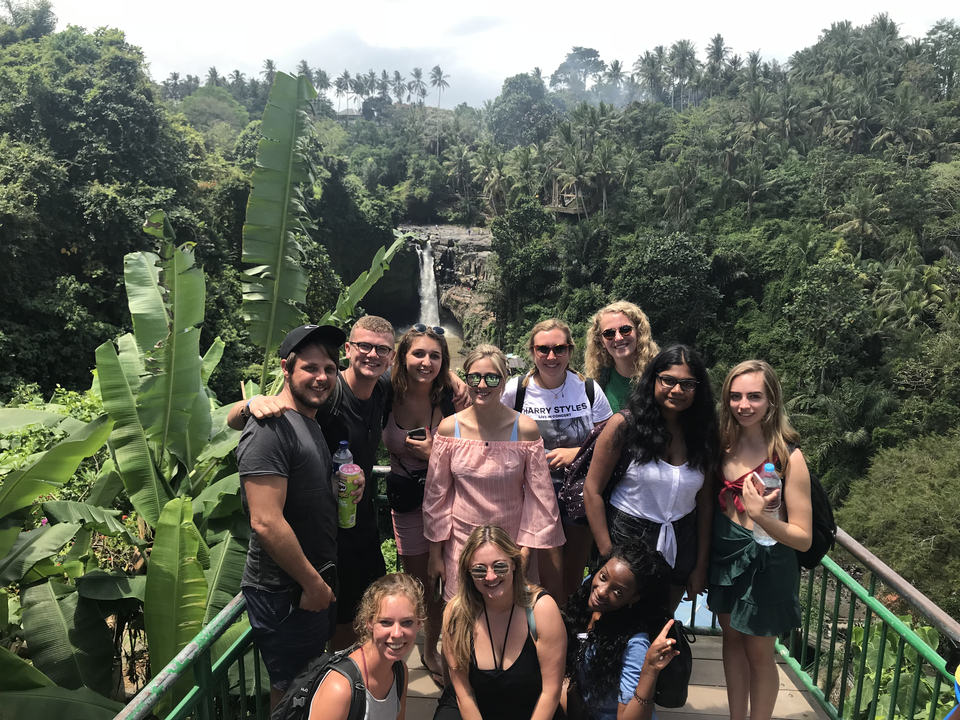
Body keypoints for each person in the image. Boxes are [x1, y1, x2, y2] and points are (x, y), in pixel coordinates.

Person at [231, 315, 398, 651]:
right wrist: (250, 403)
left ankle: (352, 689)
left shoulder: (382, 387)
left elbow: (426, 371)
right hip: (323, 549)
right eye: (364, 346)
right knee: (332, 639)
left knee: (369, 621)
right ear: (349, 350)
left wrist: (458, 379)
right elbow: (241, 419)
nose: (372, 355)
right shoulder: (325, 394)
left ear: (391, 357)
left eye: (382, 349)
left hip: (358, 529)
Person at [236, 324, 355, 709]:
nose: (322, 378)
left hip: (308, 584)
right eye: (311, 368)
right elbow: (265, 521)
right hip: (287, 591)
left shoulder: (310, 421)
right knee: (289, 695)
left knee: (304, 687)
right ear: (287, 368)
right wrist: (313, 584)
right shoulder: (270, 427)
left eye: (330, 369)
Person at [708, 360, 812, 720]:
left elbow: (803, 538)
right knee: (732, 643)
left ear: (771, 401)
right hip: (725, 553)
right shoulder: (722, 446)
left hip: (768, 559)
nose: (744, 405)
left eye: (754, 396)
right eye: (735, 397)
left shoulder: (787, 457)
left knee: (759, 653)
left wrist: (760, 516)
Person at [583, 345, 718, 613]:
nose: (677, 390)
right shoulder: (624, 426)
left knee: (659, 624)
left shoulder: (703, 434)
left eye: (687, 384)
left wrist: (700, 566)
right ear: (653, 379)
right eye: (668, 380)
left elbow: (705, 504)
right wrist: (609, 556)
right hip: (626, 537)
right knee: (611, 626)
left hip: (681, 540)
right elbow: (592, 491)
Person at [424, 345, 564, 602]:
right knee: (464, 621)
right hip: (462, 546)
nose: (482, 385)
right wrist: (436, 554)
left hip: (511, 546)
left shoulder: (524, 429)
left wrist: (525, 553)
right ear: (465, 379)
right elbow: (437, 497)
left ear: (503, 381)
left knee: (511, 621)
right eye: (474, 377)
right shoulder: (448, 429)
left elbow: (540, 499)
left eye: (491, 378)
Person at [501, 319, 613, 605]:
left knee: (573, 574)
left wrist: (575, 452)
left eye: (559, 349)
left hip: (579, 495)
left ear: (570, 351)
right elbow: (497, 435)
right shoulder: (517, 391)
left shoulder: (588, 389)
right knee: (536, 573)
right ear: (532, 351)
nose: (551, 357)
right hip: (532, 497)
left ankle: (567, 635)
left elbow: (610, 442)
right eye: (543, 349)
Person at [382, 324, 456, 686]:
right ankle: (418, 645)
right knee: (417, 579)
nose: (426, 362)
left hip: (447, 501)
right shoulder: (385, 392)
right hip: (407, 503)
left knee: (442, 576)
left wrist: (434, 454)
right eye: (419, 353)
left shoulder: (451, 396)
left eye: (435, 356)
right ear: (403, 356)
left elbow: (478, 448)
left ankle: (434, 649)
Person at [434, 525, 566, 720]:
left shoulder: (542, 609)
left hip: (532, 708)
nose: (491, 576)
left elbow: (551, 692)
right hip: (472, 707)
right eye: (479, 570)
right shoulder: (456, 613)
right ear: (469, 573)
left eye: (499, 566)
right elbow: (464, 692)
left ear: (514, 564)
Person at [560, 540, 679, 720]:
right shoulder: (585, 596)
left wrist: (649, 671)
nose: (601, 591)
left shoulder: (635, 643)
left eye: (617, 592)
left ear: (633, 598)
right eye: (603, 577)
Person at [309, 572, 426, 720]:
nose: (397, 633)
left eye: (407, 622)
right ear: (369, 622)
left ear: (419, 623)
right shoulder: (340, 688)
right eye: (386, 622)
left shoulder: (400, 671)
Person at [584, 302, 659, 413]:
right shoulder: (598, 382)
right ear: (602, 342)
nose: (618, 338)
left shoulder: (659, 376)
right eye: (609, 333)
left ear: (639, 333)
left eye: (625, 330)